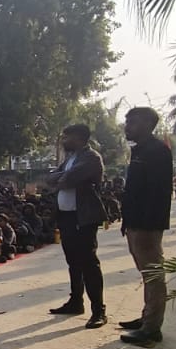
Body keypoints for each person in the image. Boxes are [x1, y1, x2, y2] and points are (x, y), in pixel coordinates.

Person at [119, 107, 174, 347]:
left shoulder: (157, 151)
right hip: (135, 223)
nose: (127, 127)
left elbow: (157, 193)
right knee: (147, 274)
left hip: (146, 225)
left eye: (132, 122)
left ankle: (151, 329)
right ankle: (146, 318)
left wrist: (148, 225)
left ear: (147, 124)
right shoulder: (140, 151)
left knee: (153, 276)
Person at [46, 123, 109, 329]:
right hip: (66, 217)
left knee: (88, 263)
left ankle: (98, 311)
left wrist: (62, 178)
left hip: (83, 218)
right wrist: (61, 177)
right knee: (73, 261)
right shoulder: (69, 159)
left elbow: (69, 179)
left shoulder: (91, 157)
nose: (64, 141)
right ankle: (76, 302)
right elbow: (51, 178)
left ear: (79, 138)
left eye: (67, 137)